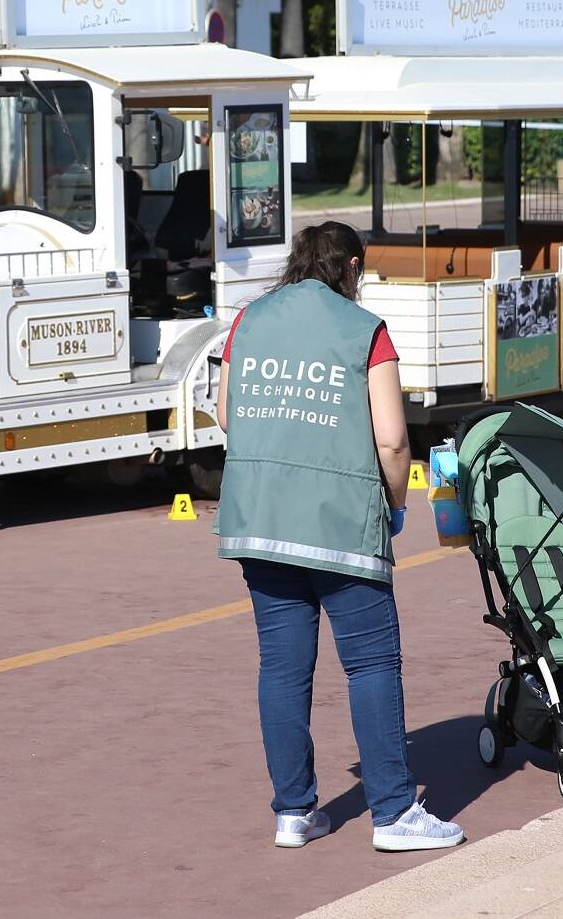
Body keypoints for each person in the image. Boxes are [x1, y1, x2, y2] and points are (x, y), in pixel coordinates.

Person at [215, 221, 464, 853]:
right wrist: (397, 504)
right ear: (352, 266)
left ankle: (293, 811)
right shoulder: (366, 332)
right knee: (372, 661)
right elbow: (392, 439)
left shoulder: (249, 320)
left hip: (261, 519)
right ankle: (392, 811)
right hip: (342, 526)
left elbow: (225, 411)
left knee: (282, 666)